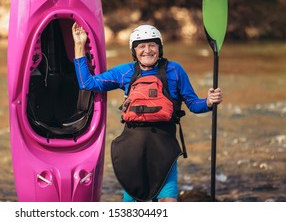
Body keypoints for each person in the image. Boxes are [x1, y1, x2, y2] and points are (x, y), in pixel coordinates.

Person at [72, 23, 223, 202]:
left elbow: (194, 104)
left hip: (164, 146)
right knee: (133, 206)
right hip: (133, 147)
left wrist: (208, 101)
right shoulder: (125, 72)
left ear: (160, 48)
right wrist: (79, 46)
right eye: (141, 46)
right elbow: (87, 83)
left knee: (168, 202)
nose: (147, 50)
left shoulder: (175, 70)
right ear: (134, 51)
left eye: (152, 45)